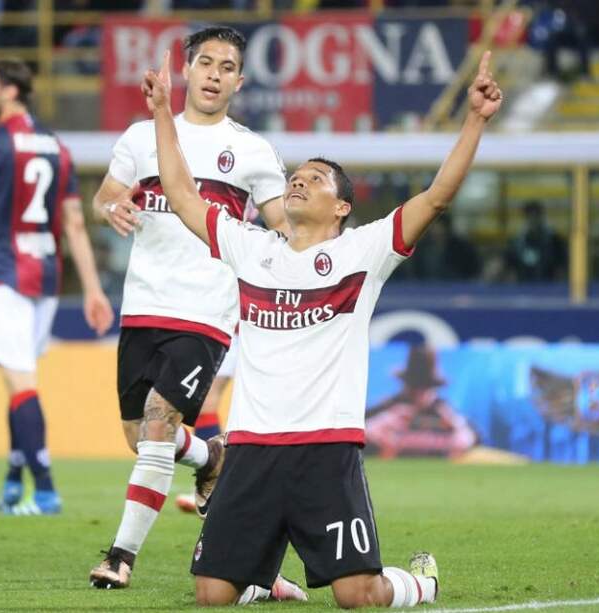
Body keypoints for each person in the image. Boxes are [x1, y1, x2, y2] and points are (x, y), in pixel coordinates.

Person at [144, 45, 502, 607]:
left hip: (325, 449)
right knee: (212, 595)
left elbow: (436, 197)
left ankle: (420, 583)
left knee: (357, 594)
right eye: (295, 176)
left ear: (341, 208)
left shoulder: (364, 253)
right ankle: (267, 579)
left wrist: (475, 120)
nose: (298, 182)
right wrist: (163, 112)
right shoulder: (250, 248)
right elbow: (183, 195)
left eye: (315, 179)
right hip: (252, 447)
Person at [86, 26, 294, 593]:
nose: (214, 75)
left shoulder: (252, 151)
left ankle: (120, 557)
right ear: (187, 69)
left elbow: (281, 224)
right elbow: (105, 195)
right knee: (141, 437)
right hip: (142, 304)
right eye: (206, 63)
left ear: (239, 82)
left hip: (206, 310)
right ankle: (210, 459)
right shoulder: (141, 137)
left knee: (158, 422)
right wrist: (110, 208)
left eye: (227, 67)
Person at [0, 59, 114, 515]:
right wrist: (93, 289)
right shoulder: (58, 146)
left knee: (20, 383)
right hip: (46, 279)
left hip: (5, 275)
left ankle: (46, 490)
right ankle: (14, 478)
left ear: (10, 91)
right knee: (19, 378)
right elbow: (74, 223)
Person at [365, 344, 477, 459]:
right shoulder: (388, 408)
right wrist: (376, 426)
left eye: (426, 386)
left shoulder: (445, 411)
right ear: (406, 384)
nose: (420, 393)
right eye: (415, 385)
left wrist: (459, 429)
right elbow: (359, 432)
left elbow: (474, 437)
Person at [503, 200, 567, 282]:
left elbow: (561, 268)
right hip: (522, 285)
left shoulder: (555, 241)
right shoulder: (516, 242)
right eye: (529, 216)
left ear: (541, 217)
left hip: (549, 285)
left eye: (536, 215)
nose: (533, 220)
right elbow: (509, 266)